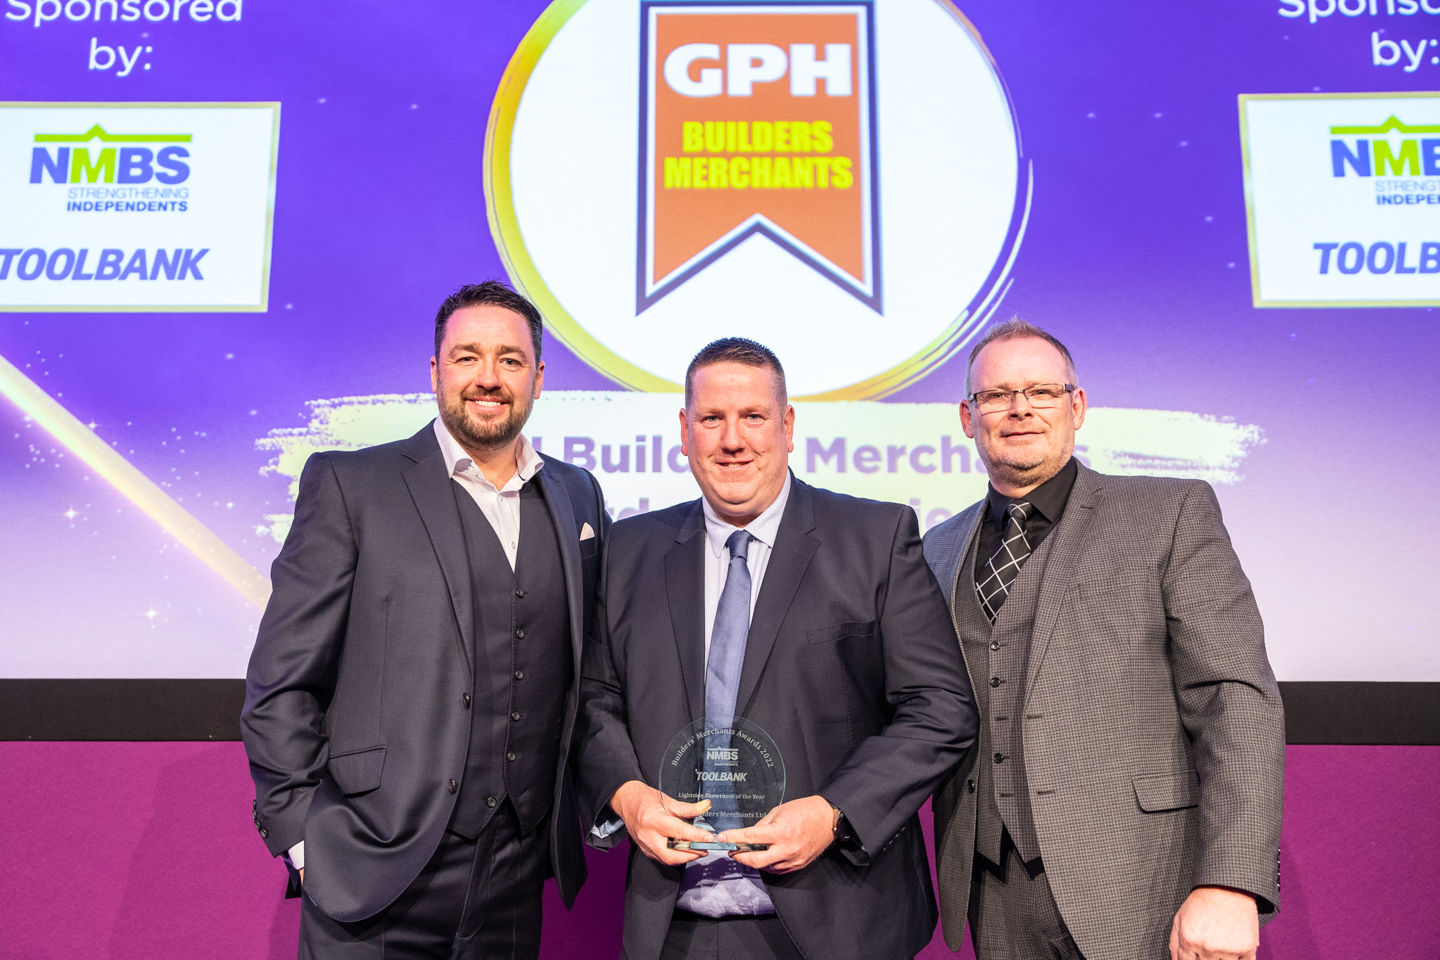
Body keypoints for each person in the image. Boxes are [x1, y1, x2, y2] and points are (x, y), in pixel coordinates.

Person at [575, 337, 977, 960]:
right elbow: (595, 700)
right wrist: (628, 797)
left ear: (787, 427)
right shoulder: (629, 550)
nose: (732, 439)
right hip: (674, 926)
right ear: (684, 431)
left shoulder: (875, 538)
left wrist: (834, 812)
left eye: (753, 416)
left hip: (839, 920)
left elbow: (940, 708)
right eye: (712, 418)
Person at [241, 281, 608, 959]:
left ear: (538, 377)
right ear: (436, 371)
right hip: (371, 872)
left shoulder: (577, 493)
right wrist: (304, 840)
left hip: (516, 874)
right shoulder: (352, 485)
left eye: (510, 359)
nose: (489, 377)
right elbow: (281, 682)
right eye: (467, 357)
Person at [923, 318, 1284, 960]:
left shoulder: (1169, 513)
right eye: (996, 394)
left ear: (1078, 406)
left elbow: (1236, 702)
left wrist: (1230, 883)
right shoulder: (937, 548)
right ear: (967, 417)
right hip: (992, 889)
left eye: (1042, 391)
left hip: (1142, 882)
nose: (1019, 408)